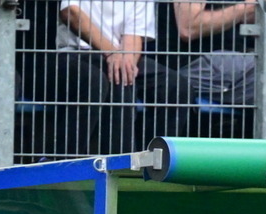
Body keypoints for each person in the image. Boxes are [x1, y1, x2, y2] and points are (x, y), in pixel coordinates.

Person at [164, 0, 266, 139]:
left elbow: (248, 17)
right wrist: (248, 6)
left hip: (236, 59)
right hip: (195, 62)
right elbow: (188, 27)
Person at [55, 0, 191, 156]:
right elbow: (71, 13)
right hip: (79, 52)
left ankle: (155, 161)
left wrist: (126, 60)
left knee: (175, 87)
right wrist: (114, 53)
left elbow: (134, 34)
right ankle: (103, 162)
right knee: (112, 79)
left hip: (122, 53)